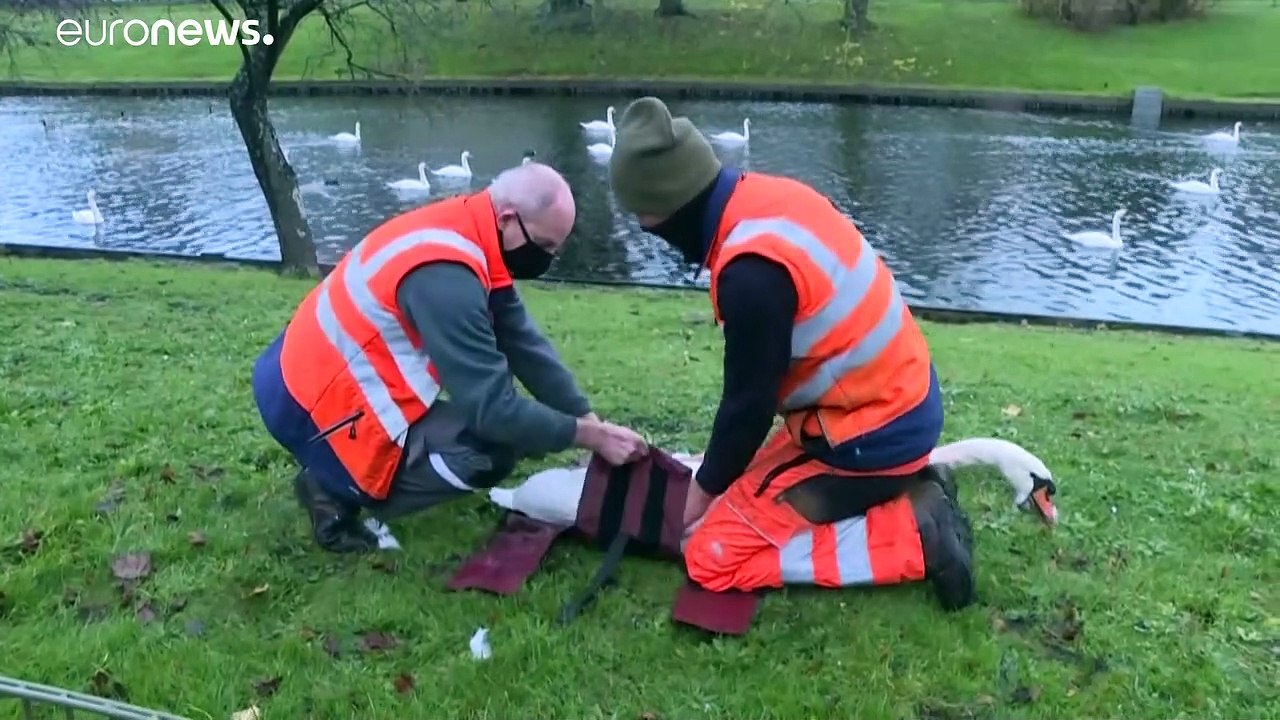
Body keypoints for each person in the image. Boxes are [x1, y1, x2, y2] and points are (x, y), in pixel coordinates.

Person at [606, 97, 976, 610]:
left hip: (871, 436)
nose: (644, 226)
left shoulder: (751, 274)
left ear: (665, 207)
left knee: (709, 552)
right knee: (739, 494)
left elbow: (748, 406)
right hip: (884, 404)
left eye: (641, 215)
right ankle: (906, 492)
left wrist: (699, 497)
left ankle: (915, 533)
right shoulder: (762, 199)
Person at [252, 162, 649, 553]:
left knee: (532, 429)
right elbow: (493, 411)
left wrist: (591, 425)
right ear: (509, 218)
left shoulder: (471, 227)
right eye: (544, 245)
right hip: (310, 405)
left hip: (300, 374)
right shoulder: (446, 276)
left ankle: (343, 469)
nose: (547, 258)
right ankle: (334, 486)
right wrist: (589, 436)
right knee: (493, 450)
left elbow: (522, 342)